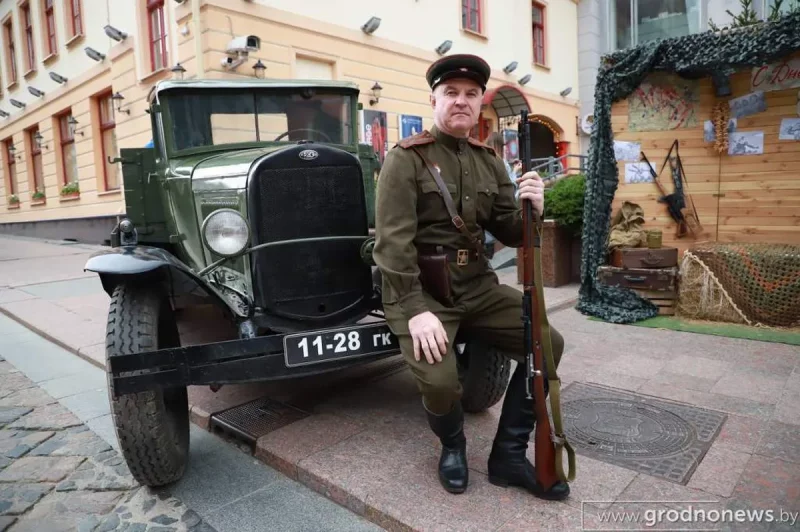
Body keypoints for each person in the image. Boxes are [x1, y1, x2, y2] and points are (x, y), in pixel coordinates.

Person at [373, 54, 569, 501]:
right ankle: (453, 446)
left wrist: (534, 208)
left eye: (470, 94)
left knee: (548, 343)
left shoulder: (489, 161)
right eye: (451, 93)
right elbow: (392, 246)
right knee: (442, 384)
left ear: (480, 102)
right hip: (423, 292)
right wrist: (416, 310)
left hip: (477, 286)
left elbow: (512, 232)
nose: (461, 101)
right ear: (434, 100)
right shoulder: (406, 159)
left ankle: (508, 457)